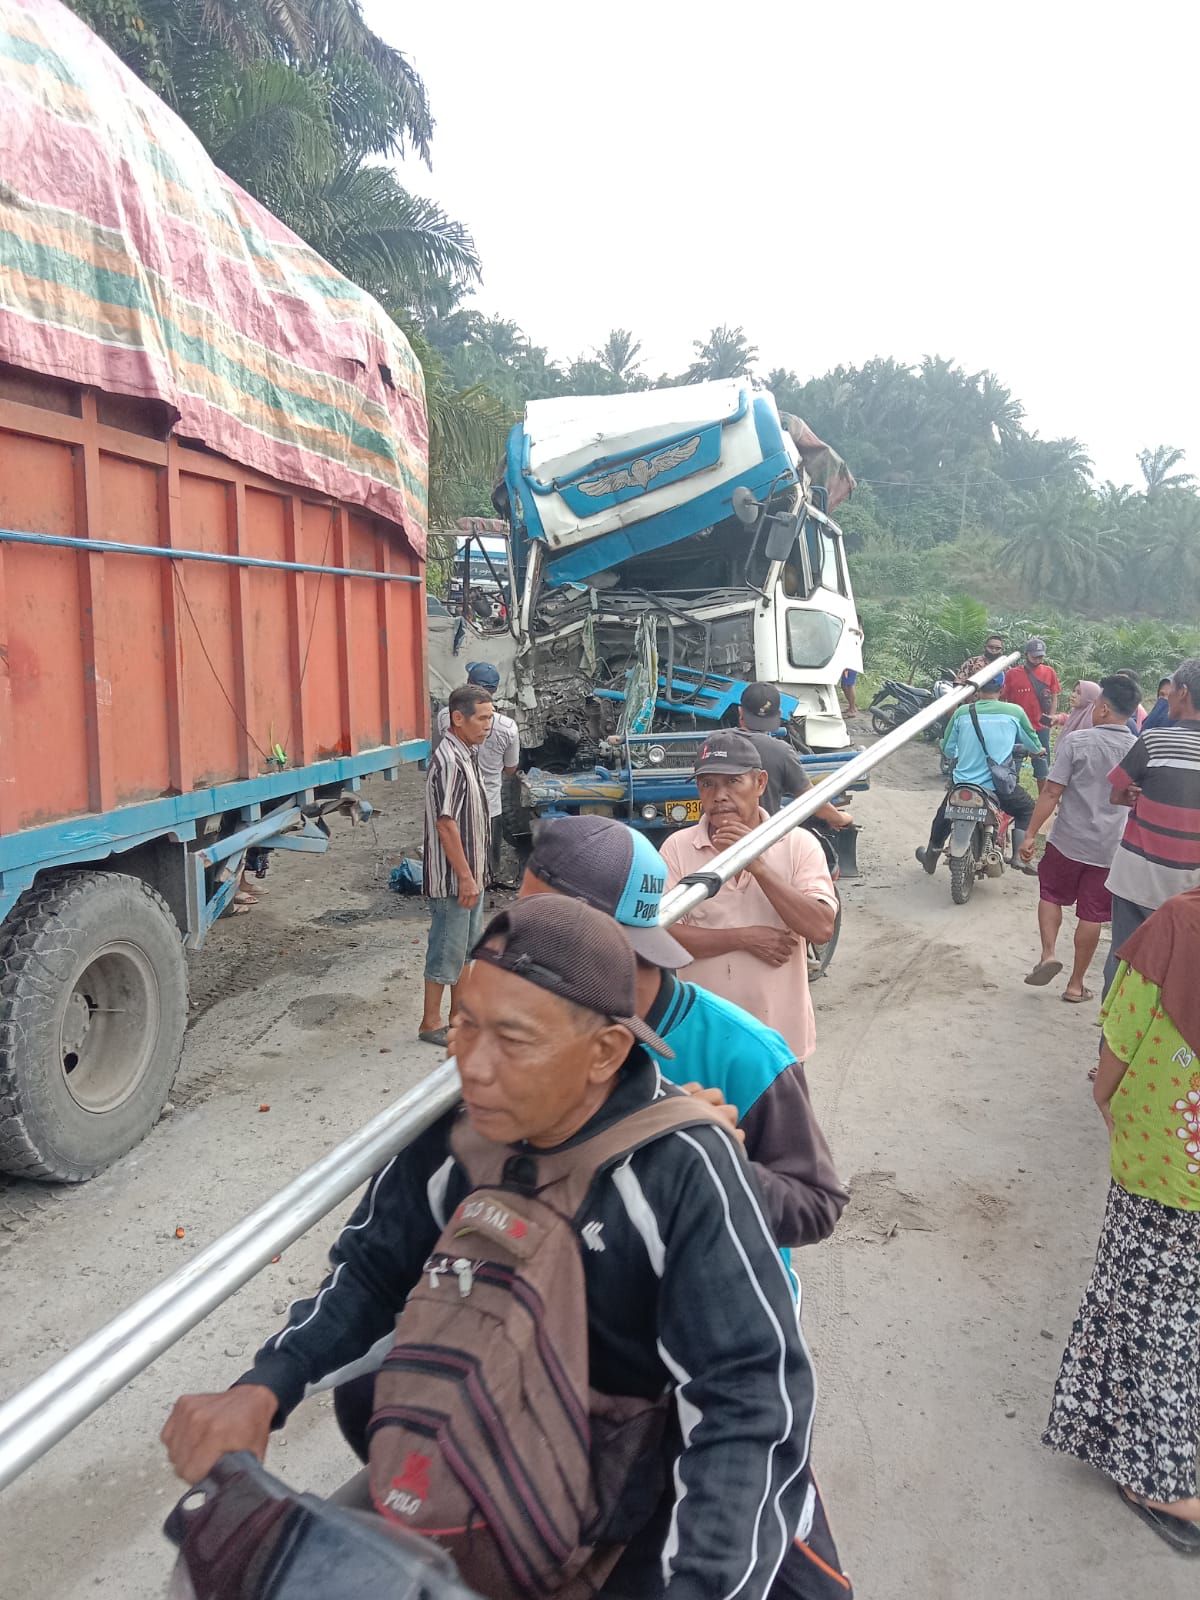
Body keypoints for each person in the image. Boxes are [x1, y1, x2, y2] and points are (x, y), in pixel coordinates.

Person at [162, 896, 852, 1598]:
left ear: (605, 1052)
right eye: (464, 1024)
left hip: (659, 1510)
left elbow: (746, 1400)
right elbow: (372, 1277)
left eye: (513, 1040)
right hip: (506, 1481)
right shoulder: (453, 1141)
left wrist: (705, 1585)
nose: (475, 1066)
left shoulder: (681, 1169)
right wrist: (265, 1386)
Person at [519, 813, 849, 1246]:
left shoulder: (750, 1056)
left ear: (609, 936)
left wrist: (710, 1160)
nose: (520, 947)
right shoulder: (535, 1032)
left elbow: (815, 1205)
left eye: (540, 927)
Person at [1042, 887, 1200, 1553]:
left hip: (1168, 1158)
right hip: (1172, 1169)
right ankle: (1151, 1469)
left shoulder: (1182, 921)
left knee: (1147, 1302)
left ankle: (1140, 1457)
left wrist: (1104, 1094)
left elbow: (1124, 1026)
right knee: (1157, 1307)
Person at [658, 732, 838, 1067]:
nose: (719, 796)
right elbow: (661, 935)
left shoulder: (798, 843)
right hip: (705, 1044)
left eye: (733, 782)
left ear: (760, 783)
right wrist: (742, 938)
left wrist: (757, 866)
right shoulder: (678, 848)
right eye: (708, 784)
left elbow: (821, 927)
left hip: (780, 1043)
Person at [1018, 675, 1137, 1001]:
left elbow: (1053, 791)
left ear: (1102, 708)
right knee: (1092, 913)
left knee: (1052, 894)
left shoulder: (1077, 742)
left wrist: (1029, 834)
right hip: (1109, 847)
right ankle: (1075, 984)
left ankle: (1048, 954)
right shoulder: (1138, 750)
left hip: (1068, 840)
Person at [1102, 657, 1200, 997]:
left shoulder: (1155, 740)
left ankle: (1111, 1045)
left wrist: (1130, 794)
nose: (1166, 697)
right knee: (1176, 977)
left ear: (1183, 693)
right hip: (1190, 889)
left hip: (1137, 879)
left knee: (1122, 963)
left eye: (1169, 691)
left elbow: (1117, 792)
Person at [418, 683, 492, 1048]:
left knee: (465, 950)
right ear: (457, 718)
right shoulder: (448, 759)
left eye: (491, 718)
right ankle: (431, 1022)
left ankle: (457, 1017)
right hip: (453, 879)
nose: (487, 726)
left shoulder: (467, 753)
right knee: (445, 949)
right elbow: (446, 824)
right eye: (482, 719)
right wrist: (464, 877)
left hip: (471, 876)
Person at [916, 674, 1041, 872]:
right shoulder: (1015, 712)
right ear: (1002, 688)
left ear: (977, 689)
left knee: (944, 814)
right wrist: (1037, 751)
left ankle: (931, 856)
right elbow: (1033, 744)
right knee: (1026, 808)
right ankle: (1019, 856)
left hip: (963, 784)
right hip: (997, 786)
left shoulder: (962, 712)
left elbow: (948, 749)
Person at [436, 662, 520, 886]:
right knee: (486, 861)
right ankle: (484, 883)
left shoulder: (447, 717)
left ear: (469, 685)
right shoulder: (508, 727)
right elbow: (511, 768)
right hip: (490, 803)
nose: (485, 725)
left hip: (455, 803)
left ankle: (463, 883)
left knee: (454, 850)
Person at [738, 682, 854, 827]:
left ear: (740, 712)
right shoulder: (781, 752)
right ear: (779, 715)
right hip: (758, 839)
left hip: (711, 841)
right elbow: (810, 801)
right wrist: (839, 818)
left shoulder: (713, 743)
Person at [1002, 638, 1060, 793]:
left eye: (1040, 656)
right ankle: (1011, 796)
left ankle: (1043, 798)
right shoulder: (1012, 674)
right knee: (1015, 764)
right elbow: (1003, 698)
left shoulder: (1049, 672)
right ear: (1026, 655)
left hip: (1041, 726)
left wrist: (1051, 717)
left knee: (1043, 767)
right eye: (1035, 656)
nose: (1038, 659)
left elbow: (1054, 695)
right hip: (1018, 727)